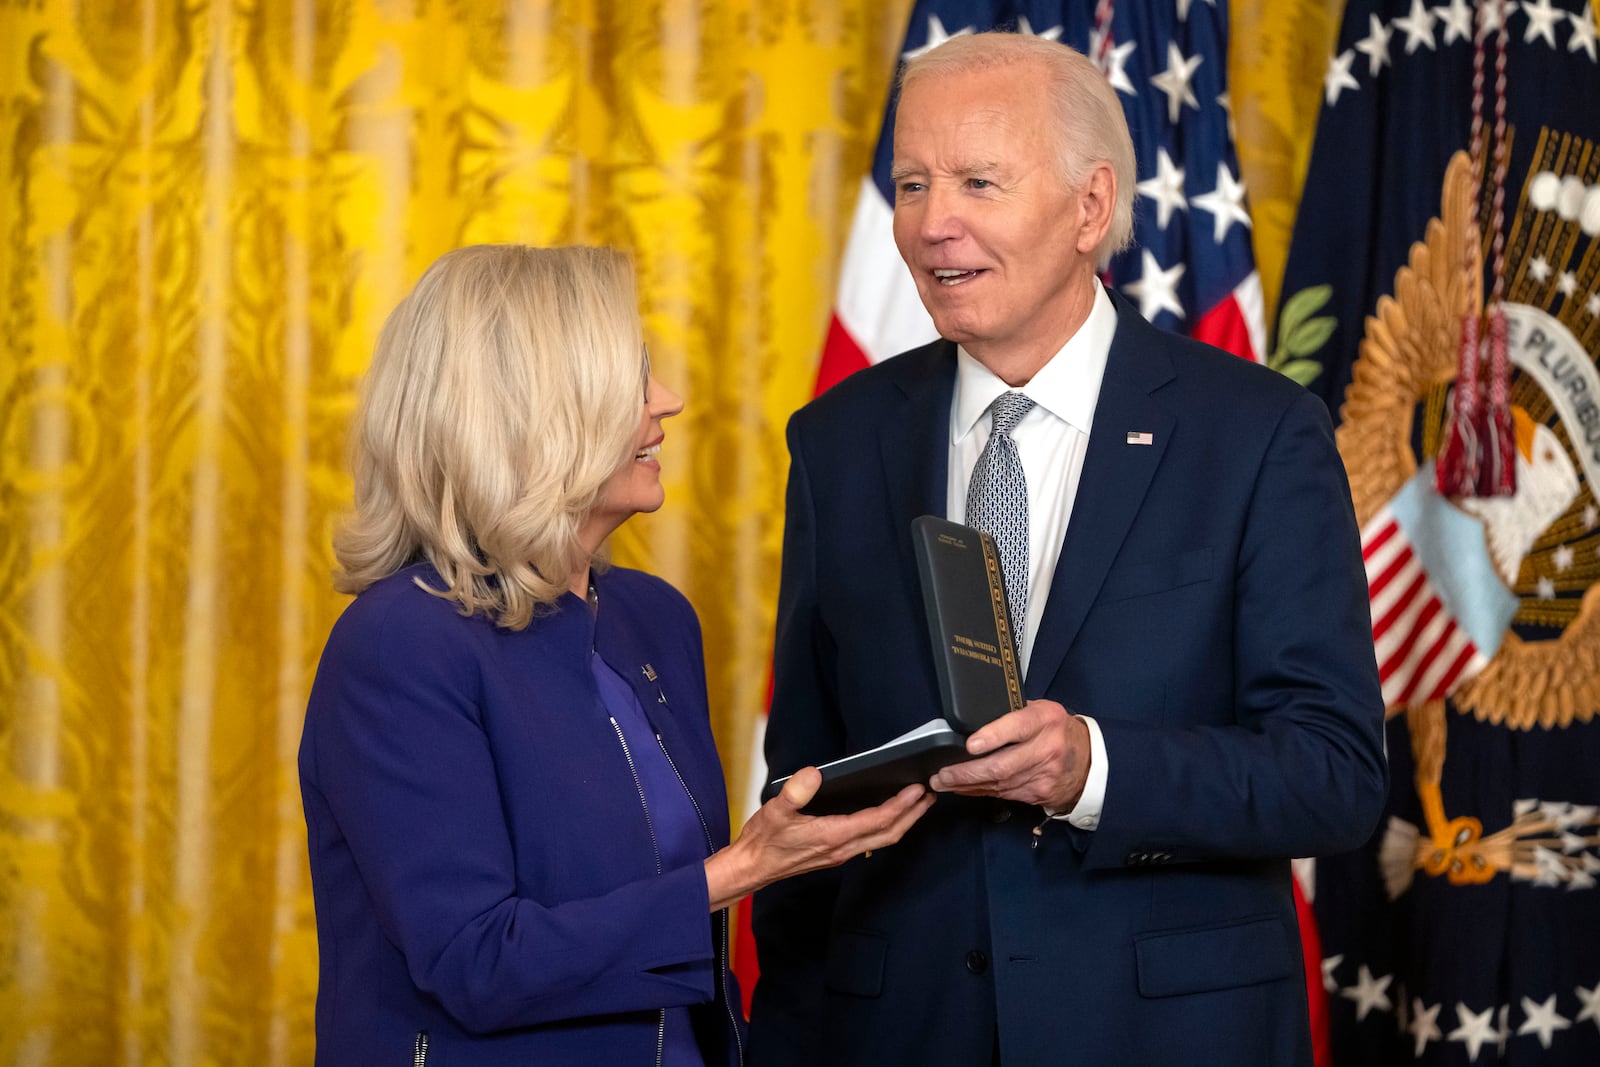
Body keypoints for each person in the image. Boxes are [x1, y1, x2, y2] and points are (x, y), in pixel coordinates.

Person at [749, 32, 1387, 1067]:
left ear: (1091, 207)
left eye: (977, 181)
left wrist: (1094, 764)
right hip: (898, 1029)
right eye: (910, 183)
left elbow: (1333, 772)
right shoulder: (836, 439)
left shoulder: (1256, 433)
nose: (929, 223)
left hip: (1168, 1031)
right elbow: (810, 791)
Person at [298, 244, 933, 1066]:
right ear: (527, 412)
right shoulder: (398, 644)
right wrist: (738, 870)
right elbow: (477, 960)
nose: (667, 401)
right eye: (632, 377)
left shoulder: (655, 617)